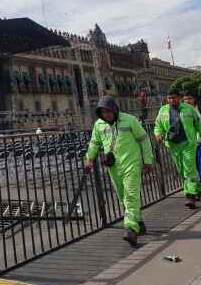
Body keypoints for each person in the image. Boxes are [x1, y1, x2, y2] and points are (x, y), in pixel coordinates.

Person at [84, 96, 153, 246]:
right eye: (103, 112)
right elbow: (94, 143)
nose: (106, 115)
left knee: (130, 195)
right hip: (114, 167)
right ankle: (139, 222)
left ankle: (130, 228)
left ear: (115, 110)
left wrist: (148, 160)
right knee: (123, 196)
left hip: (131, 164)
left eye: (108, 111)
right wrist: (89, 158)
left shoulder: (130, 120)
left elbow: (144, 139)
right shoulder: (99, 125)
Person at [154, 89, 201, 208]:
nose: (171, 100)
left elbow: (198, 124)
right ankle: (197, 188)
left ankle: (190, 196)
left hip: (188, 143)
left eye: (173, 97)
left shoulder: (189, 109)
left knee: (189, 168)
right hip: (173, 144)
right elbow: (158, 125)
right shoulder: (163, 110)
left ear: (179, 98)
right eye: (169, 98)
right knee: (181, 169)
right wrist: (158, 135)